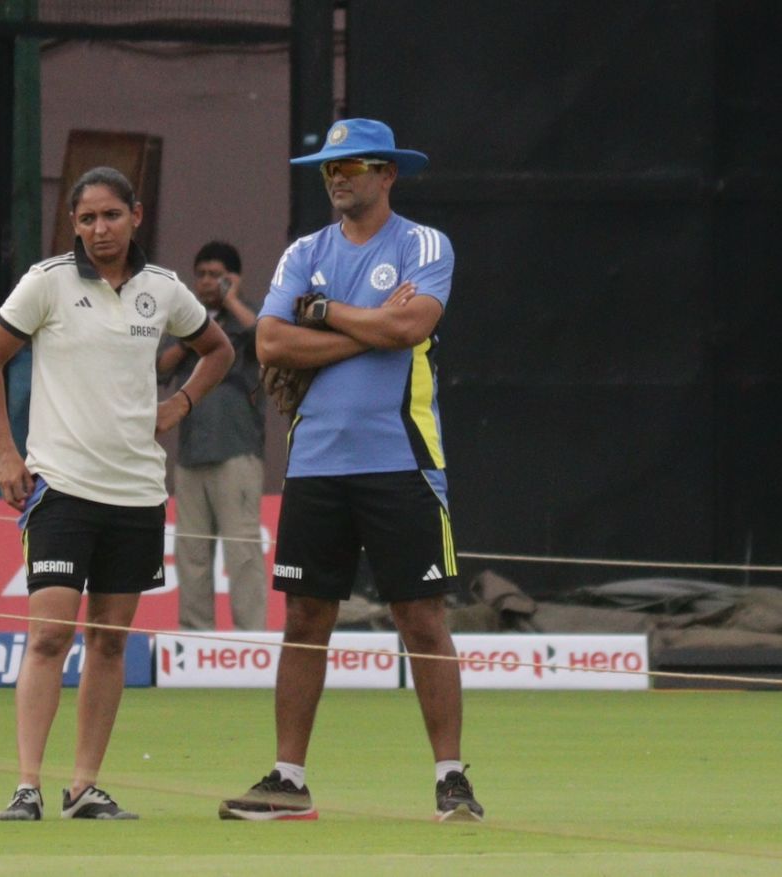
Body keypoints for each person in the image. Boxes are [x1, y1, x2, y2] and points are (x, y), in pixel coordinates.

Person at [219, 119, 485, 823]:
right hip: (316, 463)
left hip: (402, 458)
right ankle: (287, 778)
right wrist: (362, 325)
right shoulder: (304, 250)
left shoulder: (424, 244)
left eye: (353, 165)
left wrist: (327, 314)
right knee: (306, 616)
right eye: (328, 167)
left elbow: (409, 329)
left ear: (388, 173)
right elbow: (271, 339)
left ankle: (452, 779)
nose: (338, 177)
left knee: (421, 618)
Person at [0, 167, 233, 822]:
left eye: (110, 215)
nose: (98, 229)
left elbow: (218, 348)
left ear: (136, 216)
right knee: (49, 634)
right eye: (86, 218)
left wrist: (180, 404)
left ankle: (84, 785)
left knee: (110, 642)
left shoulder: (165, 290)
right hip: (60, 485)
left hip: (137, 492)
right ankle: (27, 784)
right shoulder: (48, 282)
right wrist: (7, 452)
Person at [157, 241, 267, 631]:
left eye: (215, 274)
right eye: (200, 274)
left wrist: (233, 300)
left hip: (236, 452)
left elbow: (265, 342)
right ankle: (194, 636)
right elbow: (160, 367)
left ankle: (253, 637)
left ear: (233, 278)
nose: (206, 282)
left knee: (242, 551)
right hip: (191, 455)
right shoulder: (188, 321)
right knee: (191, 552)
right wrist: (197, 332)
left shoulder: (248, 316)